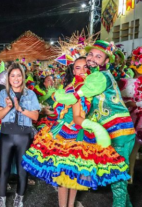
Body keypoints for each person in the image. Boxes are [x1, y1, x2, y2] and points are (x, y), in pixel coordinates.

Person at [22, 57, 130, 207]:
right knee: (64, 177)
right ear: (73, 71)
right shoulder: (76, 90)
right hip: (67, 135)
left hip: (83, 134)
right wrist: (95, 127)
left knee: (74, 176)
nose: (83, 70)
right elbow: (77, 117)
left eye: (85, 67)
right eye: (78, 68)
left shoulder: (91, 87)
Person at [54, 40, 135, 207]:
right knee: (119, 179)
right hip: (112, 131)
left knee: (118, 179)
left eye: (98, 56)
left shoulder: (99, 76)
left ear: (106, 62)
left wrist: (62, 95)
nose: (92, 58)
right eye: (91, 54)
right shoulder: (92, 77)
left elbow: (76, 96)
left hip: (118, 132)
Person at [0, 63, 40, 207]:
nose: (16, 78)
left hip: (24, 136)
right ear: (8, 78)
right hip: (6, 135)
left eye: (18, 75)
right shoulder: (4, 93)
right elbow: (0, 115)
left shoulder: (30, 94)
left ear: (23, 77)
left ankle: (18, 199)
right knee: (3, 169)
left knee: (22, 170)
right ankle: (1, 200)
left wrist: (20, 109)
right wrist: (9, 106)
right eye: (12, 75)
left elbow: (35, 116)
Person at [119, 46, 142, 184]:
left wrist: (136, 105)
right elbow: (120, 103)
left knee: (133, 148)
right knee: (131, 148)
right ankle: (129, 175)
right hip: (129, 120)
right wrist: (130, 105)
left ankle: (129, 175)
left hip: (136, 120)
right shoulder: (125, 82)